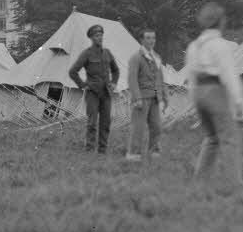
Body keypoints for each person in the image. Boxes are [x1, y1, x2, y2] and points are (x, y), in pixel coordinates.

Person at [185, 2, 243, 183]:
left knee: (212, 137)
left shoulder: (194, 46)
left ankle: (200, 179)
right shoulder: (220, 45)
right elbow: (229, 73)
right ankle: (234, 183)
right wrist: (238, 101)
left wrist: (193, 101)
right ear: (220, 21)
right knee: (229, 138)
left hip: (198, 92)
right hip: (214, 89)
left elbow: (190, 75)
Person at [68, 24, 120, 153]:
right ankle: (90, 150)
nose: (100, 37)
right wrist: (82, 85)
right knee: (92, 123)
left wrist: (114, 82)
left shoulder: (107, 53)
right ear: (91, 38)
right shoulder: (86, 54)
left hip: (106, 93)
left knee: (106, 123)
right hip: (92, 93)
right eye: (97, 35)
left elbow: (116, 70)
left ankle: (102, 150)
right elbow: (73, 72)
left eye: (101, 35)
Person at [125, 28, 169, 161]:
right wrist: (137, 98)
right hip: (142, 98)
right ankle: (134, 154)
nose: (151, 41)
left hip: (155, 98)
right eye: (148, 38)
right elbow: (132, 79)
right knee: (138, 127)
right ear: (142, 40)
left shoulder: (157, 57)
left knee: (157, 127)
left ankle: (154, 152)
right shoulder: (136, 57)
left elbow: (160, 78)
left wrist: (164, 97)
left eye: (153, 38)